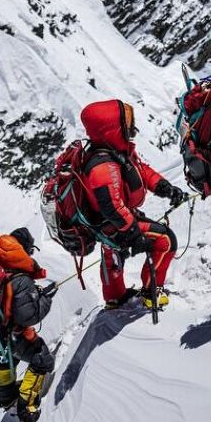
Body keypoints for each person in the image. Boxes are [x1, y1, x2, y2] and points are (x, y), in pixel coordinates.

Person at [80, 99, 189, 310]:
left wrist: (165, 188)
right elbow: (112, 207)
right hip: (115, 224)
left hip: (109, 225)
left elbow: (140, 171)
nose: (132, 128)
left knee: (112, 255)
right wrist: (134, 235)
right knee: (166, 241)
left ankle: (115, 298)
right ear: (113, 128)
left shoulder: (115, 152)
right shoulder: (103, 166)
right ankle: (151, 291)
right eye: (127, 123)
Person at [0, 228, 58, 422]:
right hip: (9, 332)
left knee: (8, 355)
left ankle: (7, 397)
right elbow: (30, 315)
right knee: (42, 359)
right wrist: (45, 298)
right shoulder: (19, 277)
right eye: (29, 251)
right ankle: (27, 409)